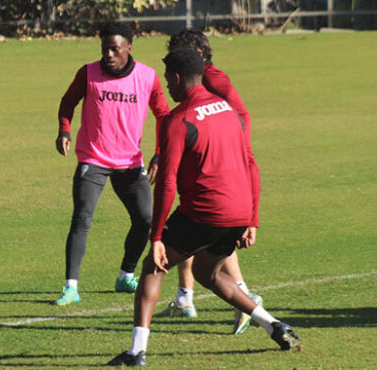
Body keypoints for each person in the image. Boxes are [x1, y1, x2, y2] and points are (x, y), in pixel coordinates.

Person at [107, 48, 299, 366]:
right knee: (205, 272)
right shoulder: (228, 110)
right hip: (238, 211)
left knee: (152, 267)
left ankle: (136, 351)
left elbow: (167, 184)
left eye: (168, 78)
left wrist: (156, 238)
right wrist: (252, 217)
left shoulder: (177, 120)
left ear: (178, 78)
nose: (167, 86)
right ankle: (273, 324)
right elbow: (250, 162)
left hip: (207, 212)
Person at [154, 29, 263, 335]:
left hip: (222, 151)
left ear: (196, 57)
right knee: (193, 226)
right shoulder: (201, 82)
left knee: (204, 224)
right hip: (205, 146)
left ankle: (242, 293)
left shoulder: (213, 79)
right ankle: (186, 297)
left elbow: (238, 115)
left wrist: (235, 147)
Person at [53, 23, 170, 305]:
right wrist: (64, 130)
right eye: (104, 48)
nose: (108, 54)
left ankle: (125, 276)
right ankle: (71, 287)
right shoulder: (88, 73)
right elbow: (68, 102)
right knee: (82, 219)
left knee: (144, 220)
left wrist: (159, 152)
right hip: (93, 159)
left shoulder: (147, 77)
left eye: (114, 49)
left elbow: (164, 115)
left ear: (128, 47)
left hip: (130, 163)